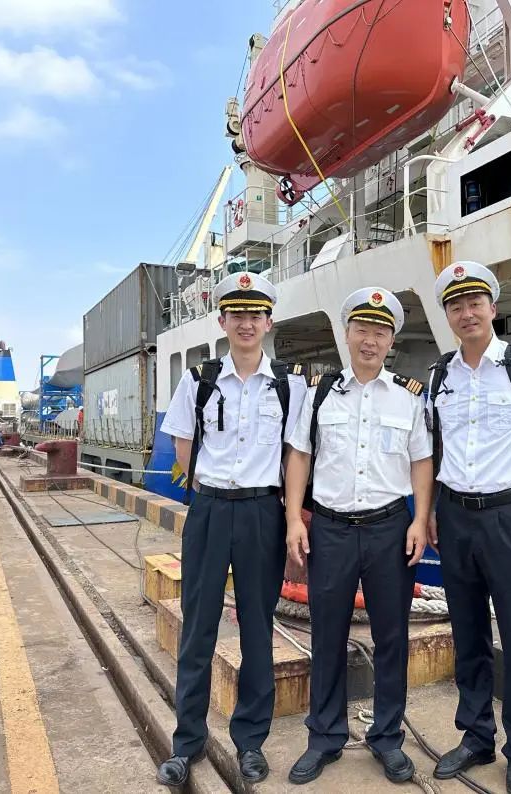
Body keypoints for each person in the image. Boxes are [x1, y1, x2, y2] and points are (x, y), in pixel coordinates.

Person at [156, 272, 307, 788]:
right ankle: (187, 743)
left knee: (257, 629)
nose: (246, 323)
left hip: (263, 512)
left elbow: (295, 455)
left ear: (268, 322)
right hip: (211, 510)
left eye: (255, 314)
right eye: (237, 314)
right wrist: (208, 492)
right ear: (222, 321)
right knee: (197, 627)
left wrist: (290, 517)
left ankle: (250, 742)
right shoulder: (199, 379)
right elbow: (183, 446)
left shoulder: (289, 384)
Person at [283, 287, 432, 786]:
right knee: (327, 635)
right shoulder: (320, 393)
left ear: (391, 340)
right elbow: (299, 455)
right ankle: (324, 737)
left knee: (392, 637)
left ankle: (387, 738)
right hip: (331, 528)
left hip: (390, 527)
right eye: (362, 330)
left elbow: (422, 461)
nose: (370, 340)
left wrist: (420, 519)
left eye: (380, 332)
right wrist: (294, 519)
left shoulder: (408, 397)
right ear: (346, 335)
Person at [426, 261, 511, 794]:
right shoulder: (439, 375)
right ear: (448, 315)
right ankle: (476, 736)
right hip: (454, 516)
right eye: (456, 306)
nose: (467, 313)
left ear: (492, 308)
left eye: (475, 303)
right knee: (468, 634)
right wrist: (431, 510)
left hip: (510, 516)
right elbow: (433, 450)